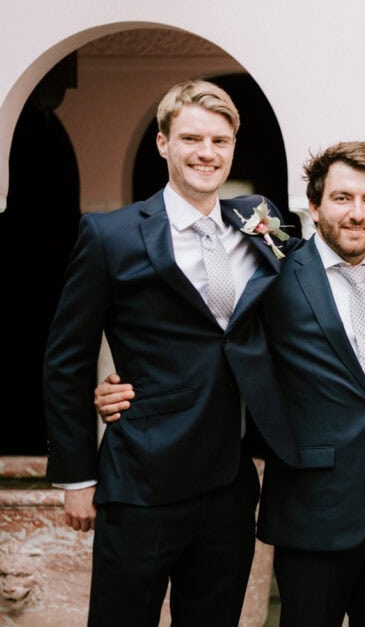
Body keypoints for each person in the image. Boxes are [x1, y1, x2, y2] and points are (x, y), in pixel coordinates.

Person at [43, 79, 299, 626]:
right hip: (142, 479)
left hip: (231, 483)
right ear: (163, 143)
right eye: (191, 138)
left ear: (233, 146)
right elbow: (66, 360)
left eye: (219, 141)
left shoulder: (259, 222)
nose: (206, 153)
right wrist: (77, 477)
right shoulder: (110, 235)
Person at [255, 139, 365, 626]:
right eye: (342, 198)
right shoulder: (275, 280)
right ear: (313, 205)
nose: (357, 213)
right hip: (313, 508)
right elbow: (227, 358)